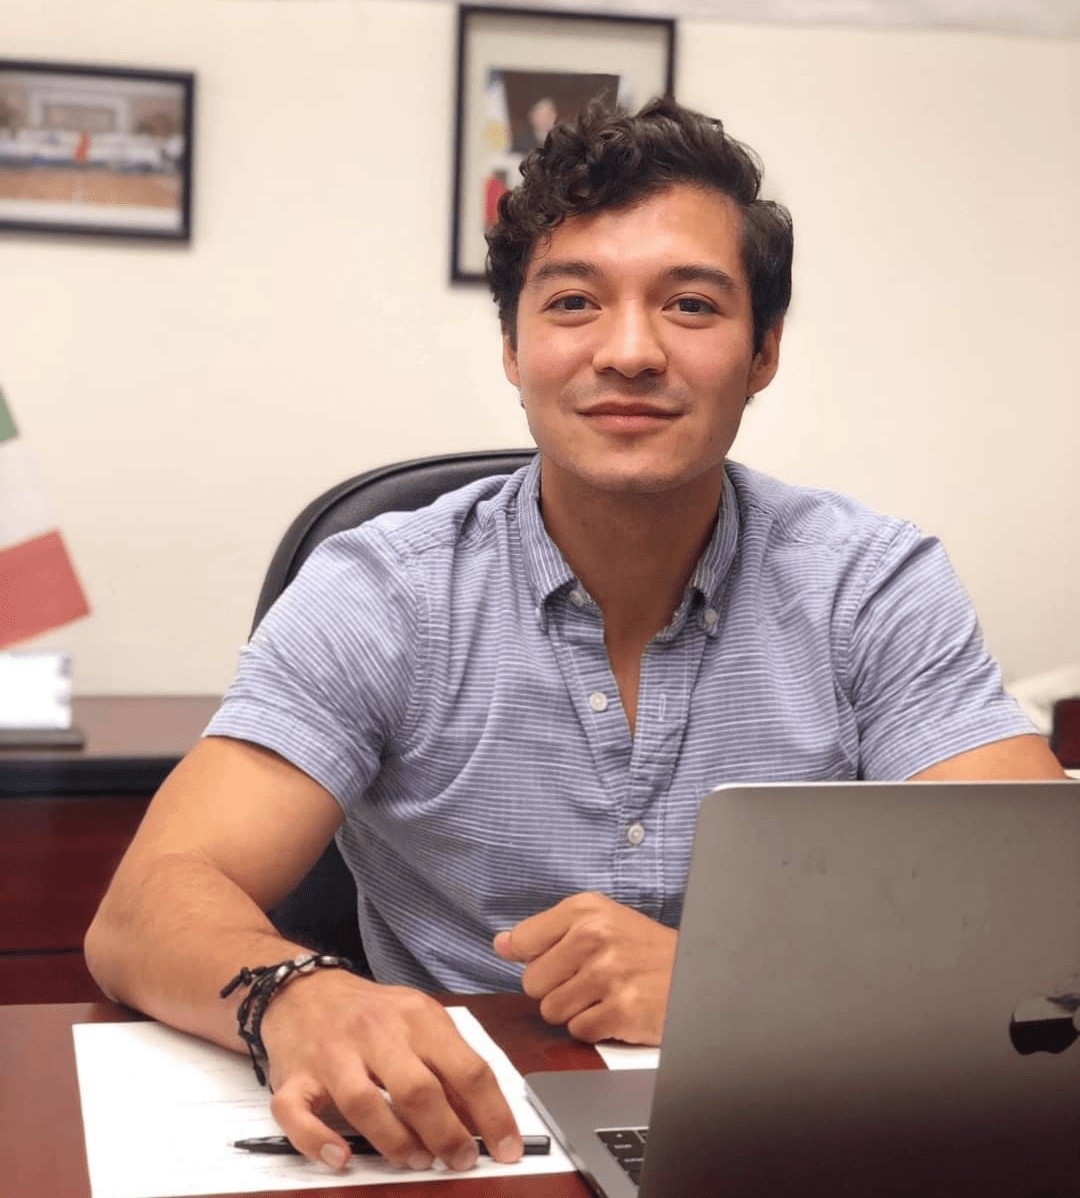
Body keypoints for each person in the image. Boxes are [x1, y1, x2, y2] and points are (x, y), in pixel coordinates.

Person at [85, 96, 1065, 1178]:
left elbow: (1041, 919)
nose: (630, 351)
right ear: (513, 348)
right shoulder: (383, 591)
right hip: (461, 1142)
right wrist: (295, 994)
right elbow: (143, 908)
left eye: (690, 304)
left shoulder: (870, 587)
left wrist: (731, 985)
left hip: (802, 1118)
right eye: (573, 303)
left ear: (764, 352)